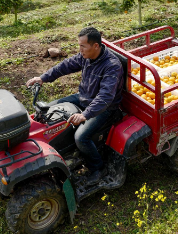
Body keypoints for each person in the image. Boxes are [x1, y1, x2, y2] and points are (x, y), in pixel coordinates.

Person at [26, 27, 124, 185]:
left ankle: (97, 168)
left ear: (96, 46)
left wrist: (85, 114)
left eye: (82, 46)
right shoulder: (85, 56)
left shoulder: (112, 66)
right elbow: (65, 66)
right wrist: (43, 78)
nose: (79, 50)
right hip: (84, 97)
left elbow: (105, 97)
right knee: (50, 109)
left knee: (81, 137)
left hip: (105, 108)